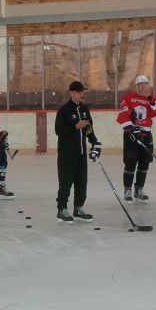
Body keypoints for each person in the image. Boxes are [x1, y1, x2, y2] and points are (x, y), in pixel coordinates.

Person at [54, 81, 101, 224]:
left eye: (83, 91)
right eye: (80, 91)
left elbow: (88, 128)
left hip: (81, 155)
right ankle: (62, 209)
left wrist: (95, 142)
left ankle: (78, 208)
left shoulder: (85, 109)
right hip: (67, 155)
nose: (83, 94)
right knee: (66, 183)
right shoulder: (64, 110)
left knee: (82, 183)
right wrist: (75, 126)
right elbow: (59, 131)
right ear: (72, 93)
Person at [117, 74, 156, 203]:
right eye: (140, 84)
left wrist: (150, 100)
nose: (143, 87)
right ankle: (127, 190)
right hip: (131, 134)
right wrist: (130, 128)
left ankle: (139, 189)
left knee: (144, 163)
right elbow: (122, 114)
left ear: (149, 86)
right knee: (130, 162)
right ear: (137, 86)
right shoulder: (129, 98)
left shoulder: (153, 100)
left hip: (146, 135)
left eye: (145, 84)